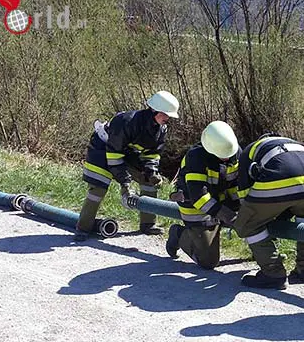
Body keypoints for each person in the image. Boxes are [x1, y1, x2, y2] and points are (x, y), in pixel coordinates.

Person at [75, 91, 179, 241]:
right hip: (102, 150)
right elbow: (114, 158)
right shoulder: (125, 121)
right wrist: (125, 184)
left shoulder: (160, 129)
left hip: (126, 152)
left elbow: (152, 154)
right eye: (165, 115)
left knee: (148, 181)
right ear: (154, 110)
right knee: (98, 189)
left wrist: (152, 171)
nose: (167, 119)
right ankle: (83, 229)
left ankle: (148, 224)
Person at [234, 133, 304, 289]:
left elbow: (245, 197)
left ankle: (273, 274)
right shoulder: (294, 142)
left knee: (247, 224)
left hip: (283, 173)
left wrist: (257, 216)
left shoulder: (249, 151)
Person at [166, 121, 241, 269]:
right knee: (208, 262)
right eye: (222, 155)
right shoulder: (196, 157)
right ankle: (179, 234)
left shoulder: (234, 152)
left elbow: (235, 185)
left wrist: (240, 208)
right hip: (195, 206)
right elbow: (199, 197)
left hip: (219, 202)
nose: (226, 158)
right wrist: (227, 215)